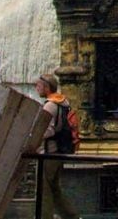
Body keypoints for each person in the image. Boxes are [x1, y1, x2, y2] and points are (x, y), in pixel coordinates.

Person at [36, 73, 79, 219]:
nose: (37, 88)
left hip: (50, 152)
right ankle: (70, 215)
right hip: (60, 150)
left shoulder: (50, 105)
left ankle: (45, 216)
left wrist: (34, 136)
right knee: (54, 187)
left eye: (39, 86)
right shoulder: (63, 102)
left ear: (47, 87)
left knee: (44, 188)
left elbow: (47, 130)